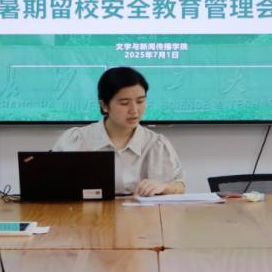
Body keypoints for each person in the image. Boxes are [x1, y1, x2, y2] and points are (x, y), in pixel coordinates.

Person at [53, 67, 185, 196]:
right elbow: (51, 182)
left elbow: (179, 185)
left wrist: (164, 187)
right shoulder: (76, 139)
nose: (134, 110)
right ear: (104, 105)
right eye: (124, 103)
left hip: (141, 211)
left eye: (140, 101)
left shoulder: (156, 143)